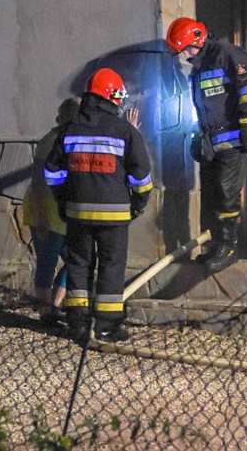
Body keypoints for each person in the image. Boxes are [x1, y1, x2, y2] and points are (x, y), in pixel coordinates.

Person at [44, 68, 153, 342]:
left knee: (78, 266)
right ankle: (106, 327)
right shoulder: (125, 131)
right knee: (111, 268)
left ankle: (78, 325)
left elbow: (53, 172)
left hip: (77, 214)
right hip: (115, 216)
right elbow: (140, 177)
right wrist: (138, 204)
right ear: (113, 97)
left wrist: (64, 199)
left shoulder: (69, 130)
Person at [165, 17, 247, 274]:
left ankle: (229, 247)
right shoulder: (200, 66)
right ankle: (215, 246)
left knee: (226, 192)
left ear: (198, 39)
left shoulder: (227, 54)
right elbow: (203, 107)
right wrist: (199, 137)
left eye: (187, 49)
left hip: (233, 139)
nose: (185, 56)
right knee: (210, 193)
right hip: (211, 142)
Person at [24, 97, 80, 327]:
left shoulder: (72, 140)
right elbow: (37, 182)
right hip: (46, 211)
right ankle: (46, 312)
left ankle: (54, 307)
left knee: (75, 261)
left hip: (64, 214)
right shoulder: (50, 141)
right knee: (47, 262)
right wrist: (41, 216)